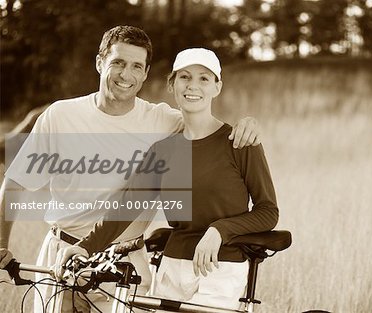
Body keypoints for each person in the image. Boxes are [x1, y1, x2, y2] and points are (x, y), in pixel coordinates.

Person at [0, 26, 260, 313]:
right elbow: (14, 182)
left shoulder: (163, 121)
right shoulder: (61, 116)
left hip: (125, 261)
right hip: (63, 254)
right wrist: (1, 244)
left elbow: (206, 127)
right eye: (118, 63)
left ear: (146, 73)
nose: (126, 75)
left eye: (137, 66)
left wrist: (246, 124)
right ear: (100, 63)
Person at [55, 48, 279, 310]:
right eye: (184, 77)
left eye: (204, 79)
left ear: (217, 87)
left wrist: (219, 230)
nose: (193, 86)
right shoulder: (164, 151)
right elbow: (127, 206)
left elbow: (268, 211)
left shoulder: (238, 143)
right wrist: (86, 246)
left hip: (223, 267)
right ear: (172, 85)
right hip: (172, 265)